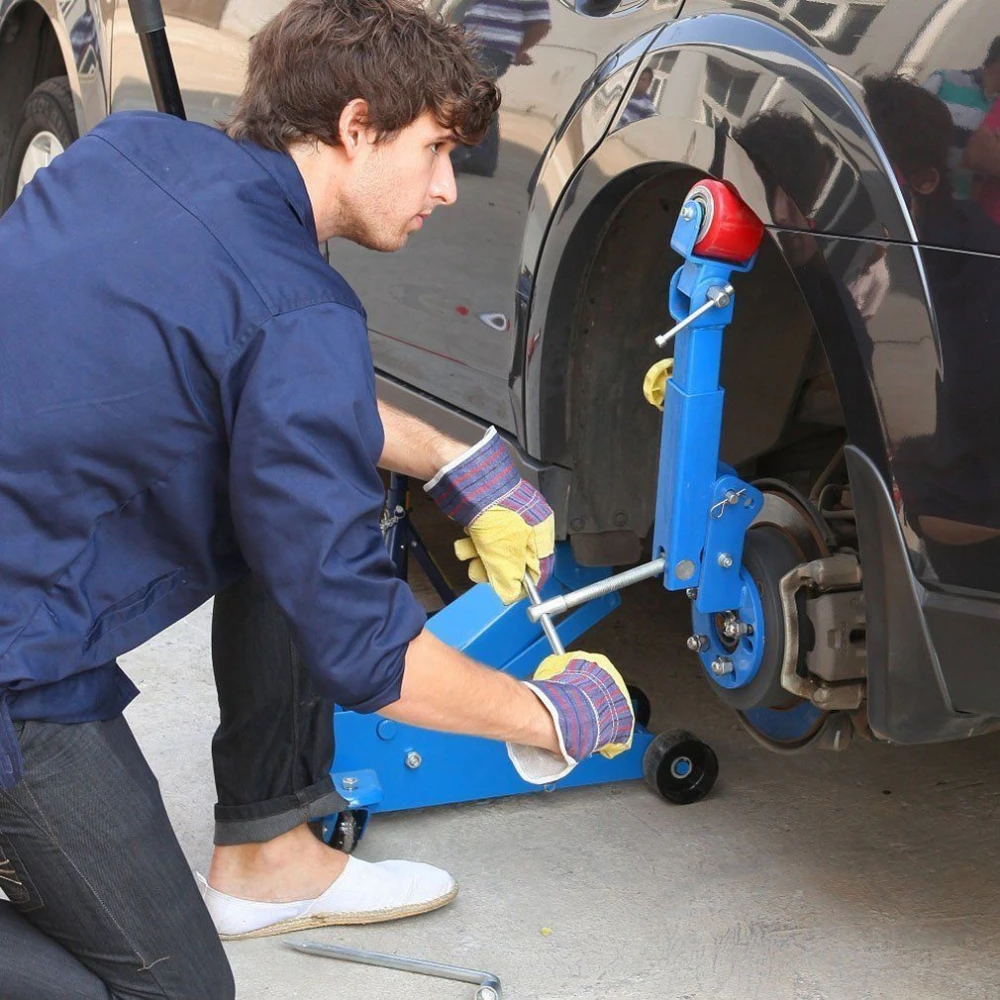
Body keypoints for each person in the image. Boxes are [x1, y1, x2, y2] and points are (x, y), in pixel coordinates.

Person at [0, 0, 635, 995]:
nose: (444, 189)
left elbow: (259, 380)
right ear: (352, 127)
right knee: (171, 988)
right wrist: (547, 718)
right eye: (430, 149)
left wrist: (449, 458)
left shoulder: (133, 152)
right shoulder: (301, 310)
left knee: (305, 498)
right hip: (12, 662)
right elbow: (371, 654)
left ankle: (270, 847)